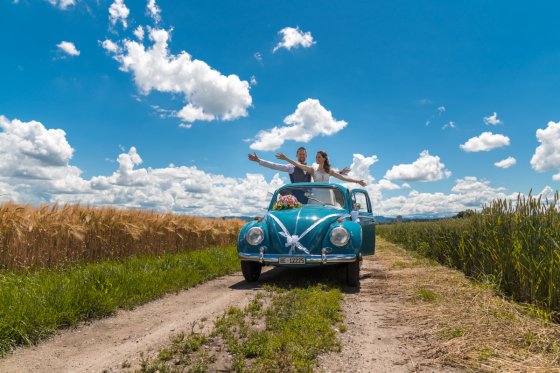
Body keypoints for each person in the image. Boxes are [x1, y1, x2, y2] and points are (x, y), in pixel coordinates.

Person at [248, 147, 350, 183]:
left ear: (306, 156)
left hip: (311, 196)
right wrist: (259, 160)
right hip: (297, 196)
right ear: (297, 155)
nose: (302, 156)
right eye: (300, 154)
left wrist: (340, 172)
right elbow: (275, 165)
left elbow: (324, 172)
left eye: (304, 154)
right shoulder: (290, 167)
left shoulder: (311, 167)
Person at [276, 150, 366, 187]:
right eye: (316, 157)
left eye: (319, 157)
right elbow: (298, 165)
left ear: (324, 158)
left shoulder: (329, 171)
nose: (316, 158)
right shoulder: (312, 169)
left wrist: (358, 181)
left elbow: (343, 178)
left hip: (327, 194)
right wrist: (286, 158)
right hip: (316, 195)